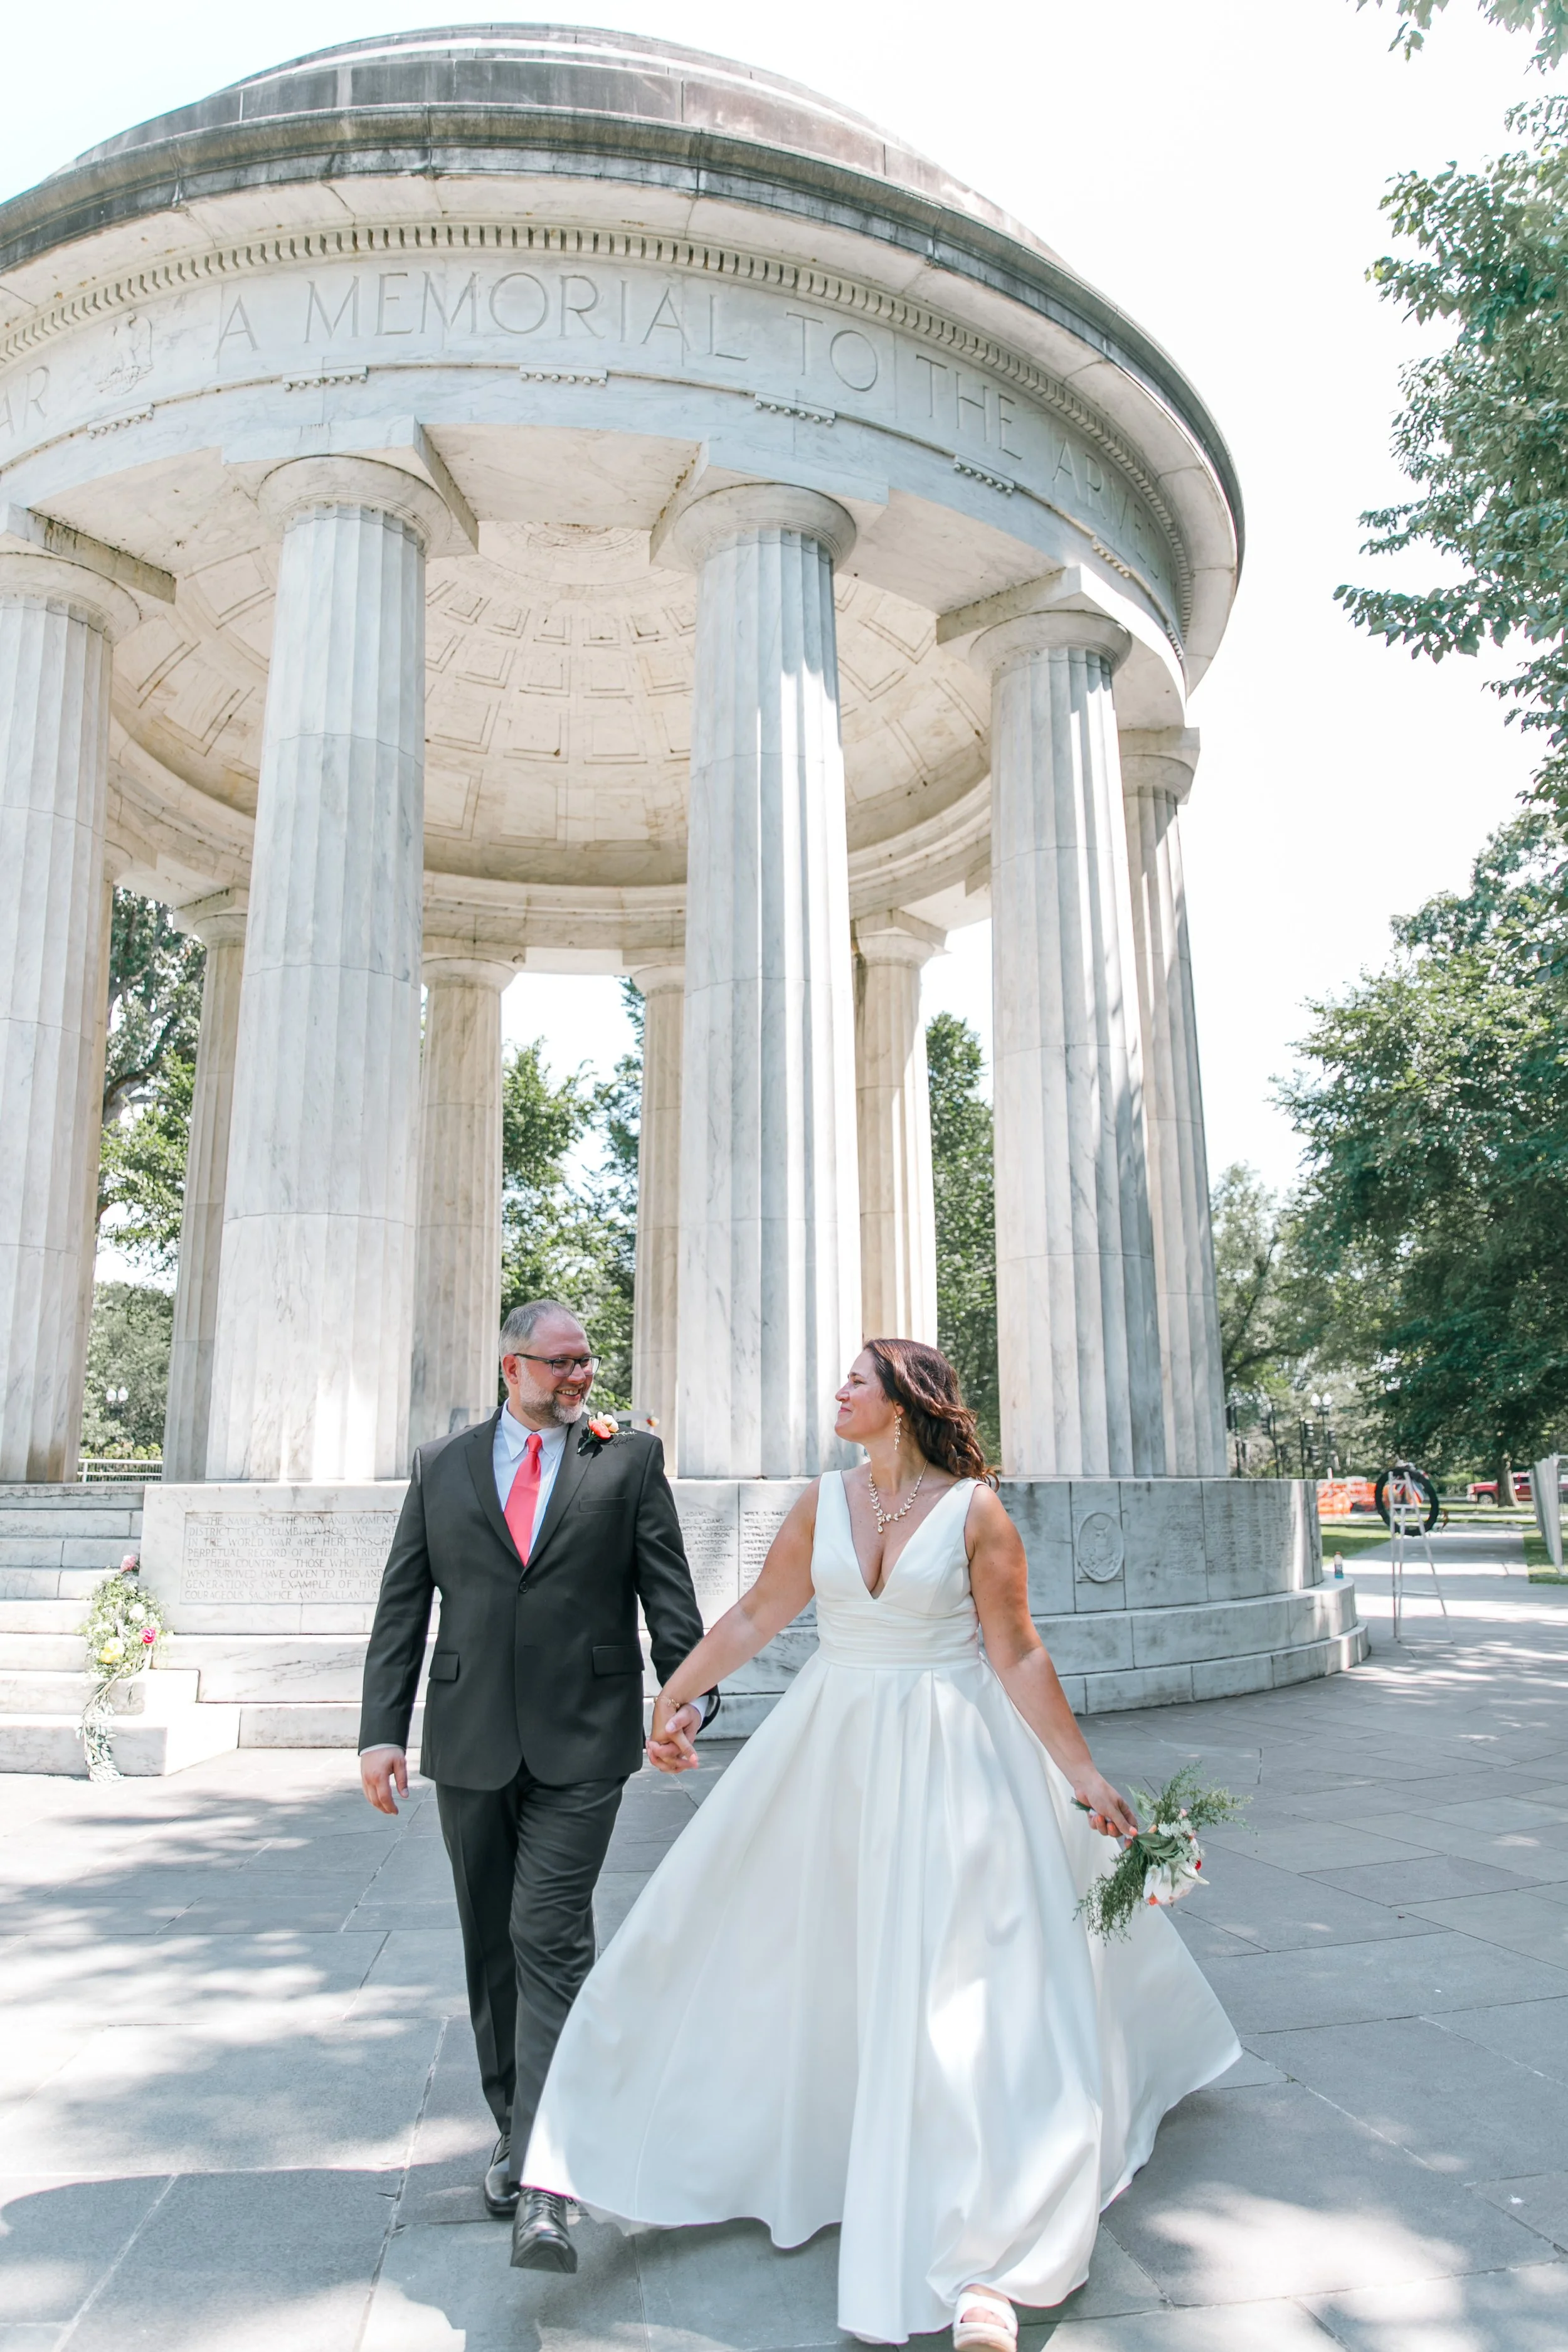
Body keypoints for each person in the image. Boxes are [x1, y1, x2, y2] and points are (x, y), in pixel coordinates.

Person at [522, 1338, 1240, 2347]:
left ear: (904, 1402)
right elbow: (760, 1612)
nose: (840, 1390)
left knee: (963, 1986)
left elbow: (1017, 1649)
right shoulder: (823, 1497)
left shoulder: (977, 1512)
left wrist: (1080, 1773)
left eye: (858, 1378)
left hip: (953, 1758)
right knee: (751, 1941)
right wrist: (676, 1694)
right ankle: (627, 2140)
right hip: (832, 1750)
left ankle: (985, 2256)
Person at [357, 1299, 714, 2272]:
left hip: (586, 1744)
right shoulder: (441, 1467)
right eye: (561, 1362)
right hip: (470, 1741)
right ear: (512, 1366)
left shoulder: (629, 1462)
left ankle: (547, 2175)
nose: (581, 1376)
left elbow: (670, 1599)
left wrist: (688, 1700)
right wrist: (379, 1731)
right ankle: (519, 2125)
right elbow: (402, 1604)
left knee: (546, 1929)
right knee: (491, 1942)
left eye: (587, 1361)